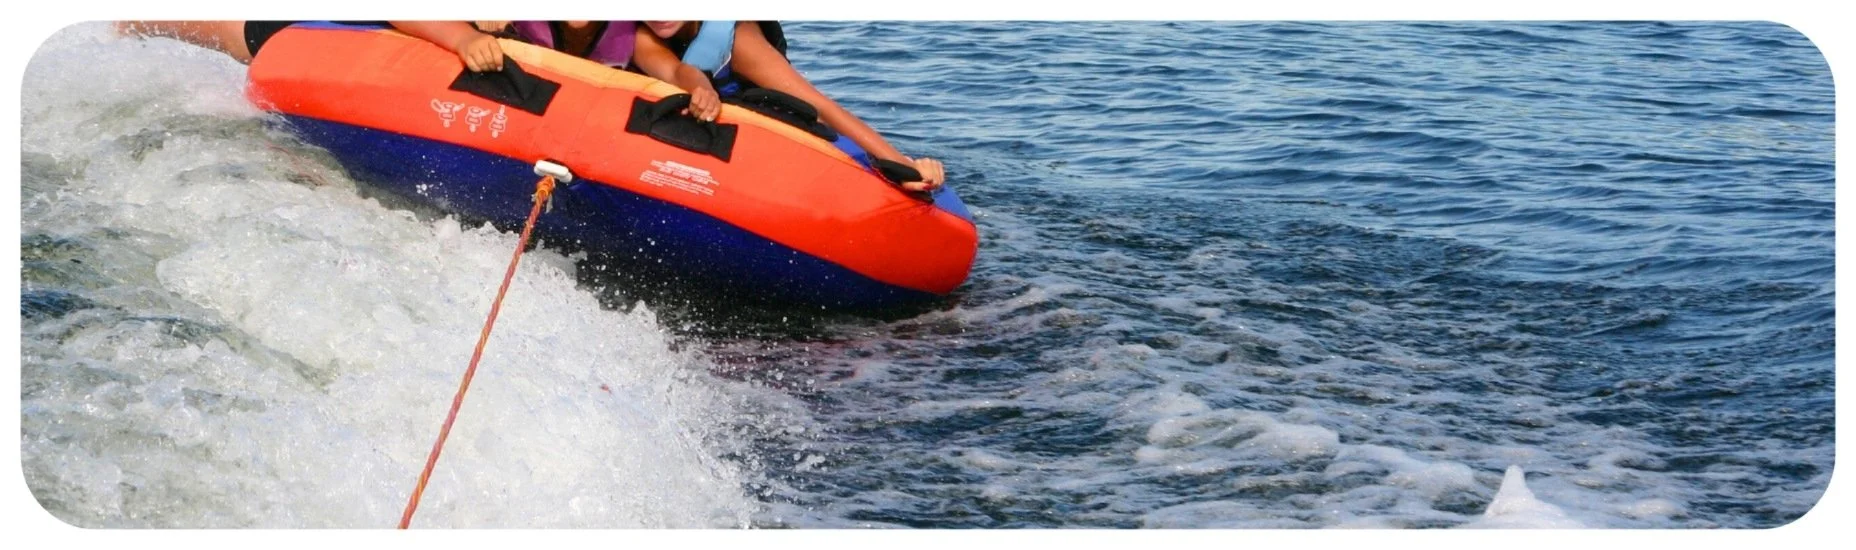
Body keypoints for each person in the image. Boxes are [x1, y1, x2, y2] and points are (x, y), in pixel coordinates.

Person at [633, 21, 945, 192]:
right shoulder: (642, 37)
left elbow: (819, 106)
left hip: (775, 137)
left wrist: (899, 165)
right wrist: (700, 90)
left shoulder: (739, 40)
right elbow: (677, 72)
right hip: (709, 137)